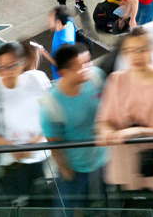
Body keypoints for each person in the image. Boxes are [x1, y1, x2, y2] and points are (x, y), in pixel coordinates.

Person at [94, 27, 153, 209]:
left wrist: (132, 131)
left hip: (152, 166)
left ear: (152, 49)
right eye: (130, 51)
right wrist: (106, 131)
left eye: (142, 49)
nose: (136, 56)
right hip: (122, 167)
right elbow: (104, 120)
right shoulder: (116, 80)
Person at [0, 41, 51, 201]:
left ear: (23, 64)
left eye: (13, 65)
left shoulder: (37, 80)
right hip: (11, 162)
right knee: (18, 199)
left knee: (40, 198)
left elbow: (51, 112)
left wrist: (37, 140)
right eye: (3, 67)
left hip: (38, 155)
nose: (8, 72)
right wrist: (6, 144)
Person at [41, 42, 108, 215]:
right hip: (75, 167)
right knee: (64, 210)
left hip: (103, 158)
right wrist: (64, 168)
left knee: (102, 205)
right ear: (63, 72)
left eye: (88, 61)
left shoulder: (96, 78)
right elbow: (54, 142)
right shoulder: (51, 103)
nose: (88, 68)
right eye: (80, 66)